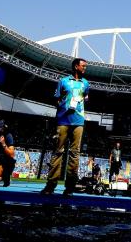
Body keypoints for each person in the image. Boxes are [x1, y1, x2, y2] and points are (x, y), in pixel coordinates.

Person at [42, 58, 90, 196]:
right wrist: (63, 106)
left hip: (78, 121)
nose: (85, 68)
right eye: (83, 66)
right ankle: (50, 186)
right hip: (63, 120)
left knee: (75, 154)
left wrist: (78, 102)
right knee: (58, 151)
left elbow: (85, 97)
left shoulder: (85, 83)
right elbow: (56, 98)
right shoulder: (63, 81)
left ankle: (70, 188)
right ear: (76, 66)